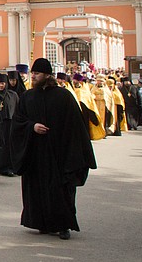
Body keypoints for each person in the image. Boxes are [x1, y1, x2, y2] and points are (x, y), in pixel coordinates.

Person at [11, 58, 96, 240]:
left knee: (60, 190)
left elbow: (75, 125)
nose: (33, 76)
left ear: (47, 75)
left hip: (58, 153)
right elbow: (18, 121)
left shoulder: (64, 97)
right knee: (37, 190)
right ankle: (41, 222)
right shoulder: (27, 97)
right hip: (34, 153)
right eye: (32, 73)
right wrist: (32, 127)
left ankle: (63, 225)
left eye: (37, 74)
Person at [0, 72, 19, 176]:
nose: (1, 86)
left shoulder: (13, 95)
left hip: (9, 124)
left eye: (3, 83)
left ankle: (8, 167)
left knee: (8, 146)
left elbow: (17, 109)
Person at [72, 73, 105, 141]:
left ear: (79, 81)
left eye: (76, 80)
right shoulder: (71, 89)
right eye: (74, 80)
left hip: (84, 110)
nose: (74, 82)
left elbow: (88, 100)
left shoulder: (84, 90)